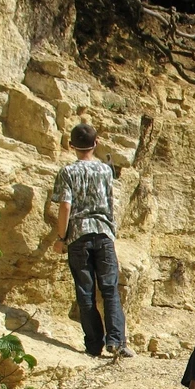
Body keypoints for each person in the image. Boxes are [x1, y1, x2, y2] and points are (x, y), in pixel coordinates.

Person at [50, 122, 133, 358]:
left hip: (78, 236)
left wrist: (60, 238)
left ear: (71, 145)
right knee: (110, 290)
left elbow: (65, 206)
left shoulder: (67, 172)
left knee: (85, 291)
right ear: (96, 143)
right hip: (104, 233)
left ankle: (94, 345)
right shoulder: (106, 171)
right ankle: (116, 341)